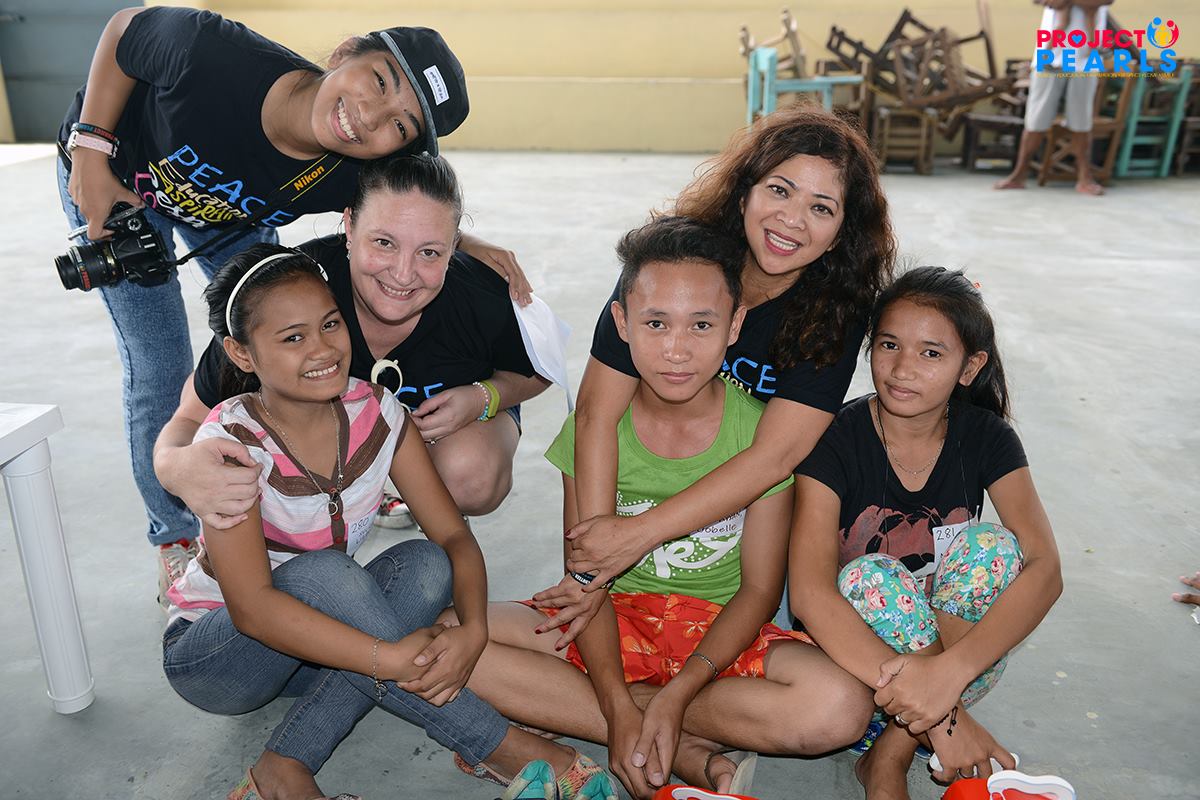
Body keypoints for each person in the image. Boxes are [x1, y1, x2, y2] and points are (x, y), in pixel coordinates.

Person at [57, 6, 530, 595]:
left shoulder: (357, 162)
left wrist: (462, 244)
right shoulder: (213, 55)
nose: (370, 116)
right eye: (380, 80)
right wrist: (90, 145)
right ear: (346, 51)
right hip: (114, 177)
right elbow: (125, 29)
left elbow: (405, 213)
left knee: (288, 337)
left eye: (400, 124)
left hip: (230, 218)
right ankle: (175, 536)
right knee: (160, 362)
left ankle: (338, 478)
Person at [442, 218, 874, 800]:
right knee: (449, 634)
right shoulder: (596, 433)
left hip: (718, 637)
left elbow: (758, 593)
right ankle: (677, 743)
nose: (677, 349)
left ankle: (607, 715)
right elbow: (586, 582)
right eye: (655, 323)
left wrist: (679, 692)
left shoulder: (761, 439)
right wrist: (616, 705)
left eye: (702, 324)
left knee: (840, 708)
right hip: (610, 622)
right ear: (621, 323)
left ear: (735, 325)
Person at [163, 244, 612, 800]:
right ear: (241, 353)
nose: (323, 349)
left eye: (330, 324)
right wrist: (388, 658)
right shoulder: (230, 445)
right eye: (293, 338)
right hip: (222, 653)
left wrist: (473, 629)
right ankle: (496, 743)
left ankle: (283, 767)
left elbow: (453, 536)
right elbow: (254, 611)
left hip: (318, 652)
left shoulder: (376, 411)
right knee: (327, 574)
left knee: (427, 563)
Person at [545, 106, 896, 644]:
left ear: (840, 233)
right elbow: (596, 413)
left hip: (753, 513)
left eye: (821, 207)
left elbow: (774, 458)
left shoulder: (835, 313)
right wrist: (596, 561)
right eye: (779, 191)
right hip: (646, 473)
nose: (792, 219)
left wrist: (638, 535)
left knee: (797, 661)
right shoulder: (676, 262)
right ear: (744, 192)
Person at [153, 154, 549, 588]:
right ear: (349, 226)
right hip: (331, 450)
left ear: (455, 246)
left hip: (451, 434)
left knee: (471, 475)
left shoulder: (480, 293)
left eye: (429, 252)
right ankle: (357, 487)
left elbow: (539, 371)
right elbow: (188, 418)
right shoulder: (292, 293)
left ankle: (420, 501)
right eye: (383, 243)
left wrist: (484, 397)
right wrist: (177, 468)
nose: (403, 274)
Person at [788, 267, 1064, 799]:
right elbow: (809, 594)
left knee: (994, 548)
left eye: (931, 353)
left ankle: (889, 757)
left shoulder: (986, 436)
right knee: (870, 575)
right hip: (853, 664)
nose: (902, 368)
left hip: (954, 668)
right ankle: (925, 735)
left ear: (970, 367)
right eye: (889, 344)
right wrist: (948, 717)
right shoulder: (834, 439)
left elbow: (1046, 568)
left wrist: (947, 677)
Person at [993, 0, 1114, 195]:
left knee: (1082, 122)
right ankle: (1019, 175)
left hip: (1085, 61)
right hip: (1050, 57)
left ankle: (1084, 178)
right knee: (1035, 120)